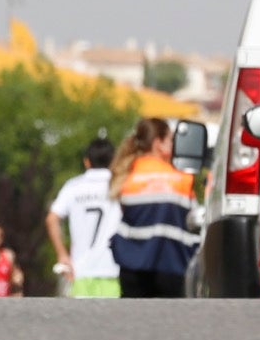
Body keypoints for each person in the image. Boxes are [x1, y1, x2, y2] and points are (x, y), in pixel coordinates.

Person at [109, 117, 199, 298]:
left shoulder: (125, 178)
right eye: (171, 140)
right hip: (171, 266)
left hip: (132, 266)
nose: (174, 145)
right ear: (158, 143)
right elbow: (193, 222)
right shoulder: (182, 180)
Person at [46, 136, 122, 298]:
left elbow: (52, 219)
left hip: (81, 270)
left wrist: (62, 254)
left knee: (81, 321)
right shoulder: (119, 186)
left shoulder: (73, 186)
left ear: (87, 162)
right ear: (114, 161)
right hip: (113, 269)